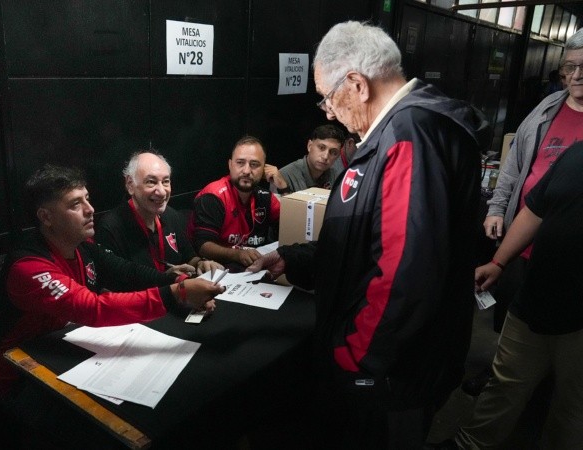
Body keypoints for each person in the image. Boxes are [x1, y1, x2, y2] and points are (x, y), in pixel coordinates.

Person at [247, 21, 490, 448]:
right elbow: (368, 240)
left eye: (327, 97)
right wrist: (297, 258)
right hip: (398, 365)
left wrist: (354, 356)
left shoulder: (407, 136)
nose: (327, 112)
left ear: (357, 85)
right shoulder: (409, 128)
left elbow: (405, 274)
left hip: (389, 375)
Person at [0, 164, 223, 447]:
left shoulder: (82, 244)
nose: (90, 209)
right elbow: (92, 308)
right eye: (75, 204)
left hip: (66, 352)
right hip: (22, 378)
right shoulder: (29, 267)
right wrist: (177, 294)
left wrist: (177, 283)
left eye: (87, 199)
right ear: (46, 217)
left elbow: (128, 273)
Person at [466, 29, 583, 395]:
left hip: (567, 255)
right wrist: (497, 208)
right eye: (570, 67)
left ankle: (545, 387)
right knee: (510, 317)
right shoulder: (547, 109)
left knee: (559, 329)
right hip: (520, 241)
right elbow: (515, 165)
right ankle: (501, 375)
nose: (577, 75)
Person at [452, 141, 583, 449]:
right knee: (504, 382)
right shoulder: (576, 153)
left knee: (573, 404)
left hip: (579, 320)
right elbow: (535, 212)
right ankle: (470, 445)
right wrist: (498, 262)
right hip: (535, 297)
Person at [96, 151, 223, 275]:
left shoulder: (172, 215)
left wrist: (201, 264)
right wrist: (166, 280)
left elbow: (189, 257)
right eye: (151, 182)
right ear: (130, 185)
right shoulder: (111, 228)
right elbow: (117, 284)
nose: (162, 192)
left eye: (166, 181)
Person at [191, 136, 280, 268]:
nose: (246, 171)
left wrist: (284, 188)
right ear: (230, 165)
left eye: (254, 164)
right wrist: (237, 255)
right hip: (218, 269)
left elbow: (290, 227)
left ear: (263, 169)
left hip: (255, 268)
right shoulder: (213, 196)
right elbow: (203, 246)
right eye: (240, 163)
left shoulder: (266, 197)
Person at [265, 124, 347, 194]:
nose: (325, 156)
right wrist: (284, 189)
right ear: (309, 146)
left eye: (333, 152)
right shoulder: (284, 176)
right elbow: (279, 207)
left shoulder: (337, 177)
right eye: (321, 148)